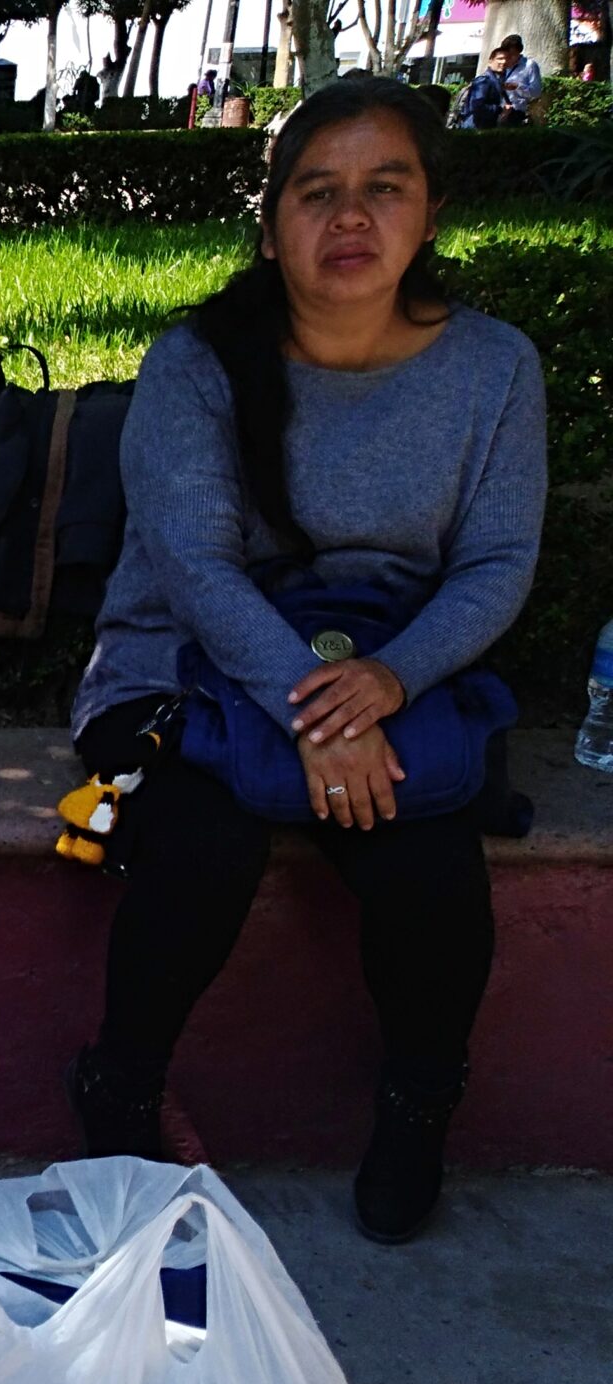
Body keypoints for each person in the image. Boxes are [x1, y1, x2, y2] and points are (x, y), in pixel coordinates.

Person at [65, 77, 545, 1242]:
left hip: (393, 672)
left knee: (428, 862)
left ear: (428, 214)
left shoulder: (493, 369)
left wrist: (385, 684)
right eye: (317, 192)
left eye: (385, 189)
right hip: (189, 663)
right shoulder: (199, 363)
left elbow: (492, 563)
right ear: (270, 220)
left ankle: (416, 1107)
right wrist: (319, 717)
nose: (350, 219)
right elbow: (194, 568)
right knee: (201, 840)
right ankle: (118, 1088)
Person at [456, 48, 512, 128]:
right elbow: (477, 106)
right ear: (490, 61)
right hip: (475, 128)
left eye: (507, 59)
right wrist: (500, 109)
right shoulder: (484, 81)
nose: (504, 62)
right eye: (500, 58)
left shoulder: (497, 80)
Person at [498, 33, 544, 118]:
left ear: (519, 51)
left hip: (517, 113)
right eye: (506, 55)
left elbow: (536, 92)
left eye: (512, 54)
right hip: (499, 112)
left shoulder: (530, 65)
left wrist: (517, 86)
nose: (509, 58)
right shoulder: (500, 66)